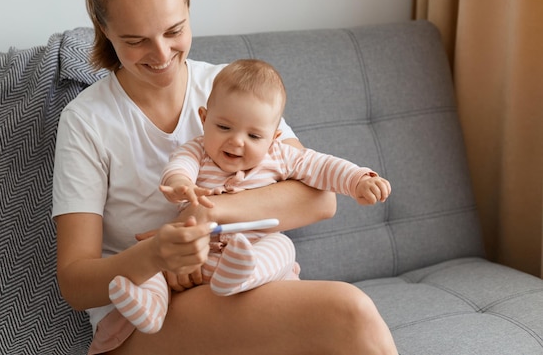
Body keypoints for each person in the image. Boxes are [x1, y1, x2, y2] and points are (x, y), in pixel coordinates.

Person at [52, 0, 399, 353]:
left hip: (231, 281)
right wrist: (158, 257)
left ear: (189, 6)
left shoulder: (228, 87)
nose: (161, 54)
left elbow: (317, 200)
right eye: (135, 40)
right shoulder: (86, 121)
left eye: (174, 30)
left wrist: (208, 212)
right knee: (349, 312)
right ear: (105, 30)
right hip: (145, 318)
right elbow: (75, 283)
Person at [108, 58, 392, 335]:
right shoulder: (197, 150)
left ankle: (245, 273)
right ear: (204, 119)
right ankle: (150, 306)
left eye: (254, 136)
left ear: (273, 137)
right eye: (223, 127)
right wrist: (182, 185)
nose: (237, 141)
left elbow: (322, 165)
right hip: (197, 257)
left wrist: (357, 179)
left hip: (254, 253)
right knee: (157, 257)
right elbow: (179, 167)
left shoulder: (280, 155)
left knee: (282, 244)